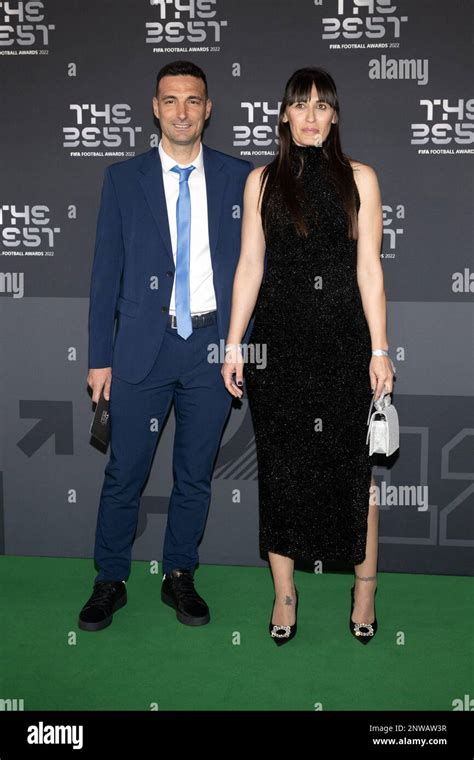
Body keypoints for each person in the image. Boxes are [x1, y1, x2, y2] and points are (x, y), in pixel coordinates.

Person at [222, 67, 395, 645]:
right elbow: (250, 266)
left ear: (335, 115)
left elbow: (369, 268)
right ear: (285, 114)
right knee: (281, 472)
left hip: (344, 346)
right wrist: (234, 343)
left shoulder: (361, 179)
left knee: (356, 473)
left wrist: (378, 347)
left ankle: (364, 588)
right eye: (301, 105)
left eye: (323, 106)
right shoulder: (262, 182)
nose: (312, 116)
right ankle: (285, 594)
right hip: (281, 349)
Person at [79, 60, 253, 632]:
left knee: (195, 476)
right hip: (140, 349)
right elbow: (105, 274)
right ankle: (110, 579)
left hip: (208, 348)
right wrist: (99, 356)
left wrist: (237, 346)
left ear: (208, 108)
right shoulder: (122, 179)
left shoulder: (239, 177)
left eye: (193, 100)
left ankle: (180, 575)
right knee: (124, 472)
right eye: (171, 100)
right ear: (155, 107)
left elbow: (253, 272)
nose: (182, 111)